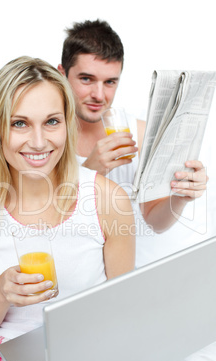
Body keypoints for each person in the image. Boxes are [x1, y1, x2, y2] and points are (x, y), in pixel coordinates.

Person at [0, 56, 158, 361]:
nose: (37, 141)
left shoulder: (108, 200)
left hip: (86, 344)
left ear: (68, 125)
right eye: (19, 123)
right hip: (9, 355)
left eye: (51, 121)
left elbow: (123, 306)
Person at [57, 19, 209, 265]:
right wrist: (89, 174)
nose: (99, 95)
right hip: (74, 276)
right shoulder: (45, 138)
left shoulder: (140, 134)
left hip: (130, 274)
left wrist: (180, 197)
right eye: (86, 79)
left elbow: (153, 220)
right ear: (62, 74)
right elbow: (41, 227)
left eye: (110, 82)